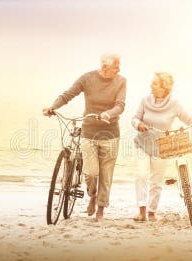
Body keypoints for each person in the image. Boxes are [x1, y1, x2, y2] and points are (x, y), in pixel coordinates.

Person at [42, 53, 126, 222]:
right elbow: (68, 95)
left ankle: (100, 210)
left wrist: (108, 114)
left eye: (119, 67)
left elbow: (120, 105)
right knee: (91, 173)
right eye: (115, 67)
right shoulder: (87, 78)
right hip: (89, 133)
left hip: (110, 135)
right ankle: (93, 195)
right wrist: (52, 107)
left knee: (106, 176)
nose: (118, 70)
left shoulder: (121, 80)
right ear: (104, 67)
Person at [131, 72, 192, 222]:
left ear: (164, 87)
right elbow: (134, 118)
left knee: (156, 181)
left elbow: (189, 120)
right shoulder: (145, 100)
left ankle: (151, 212)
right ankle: (142, 211)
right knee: (141, 175)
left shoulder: (174, 104)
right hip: (142, 144)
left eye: (154, 83)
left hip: (162, 147)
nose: (150, 86)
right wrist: (138, 124)